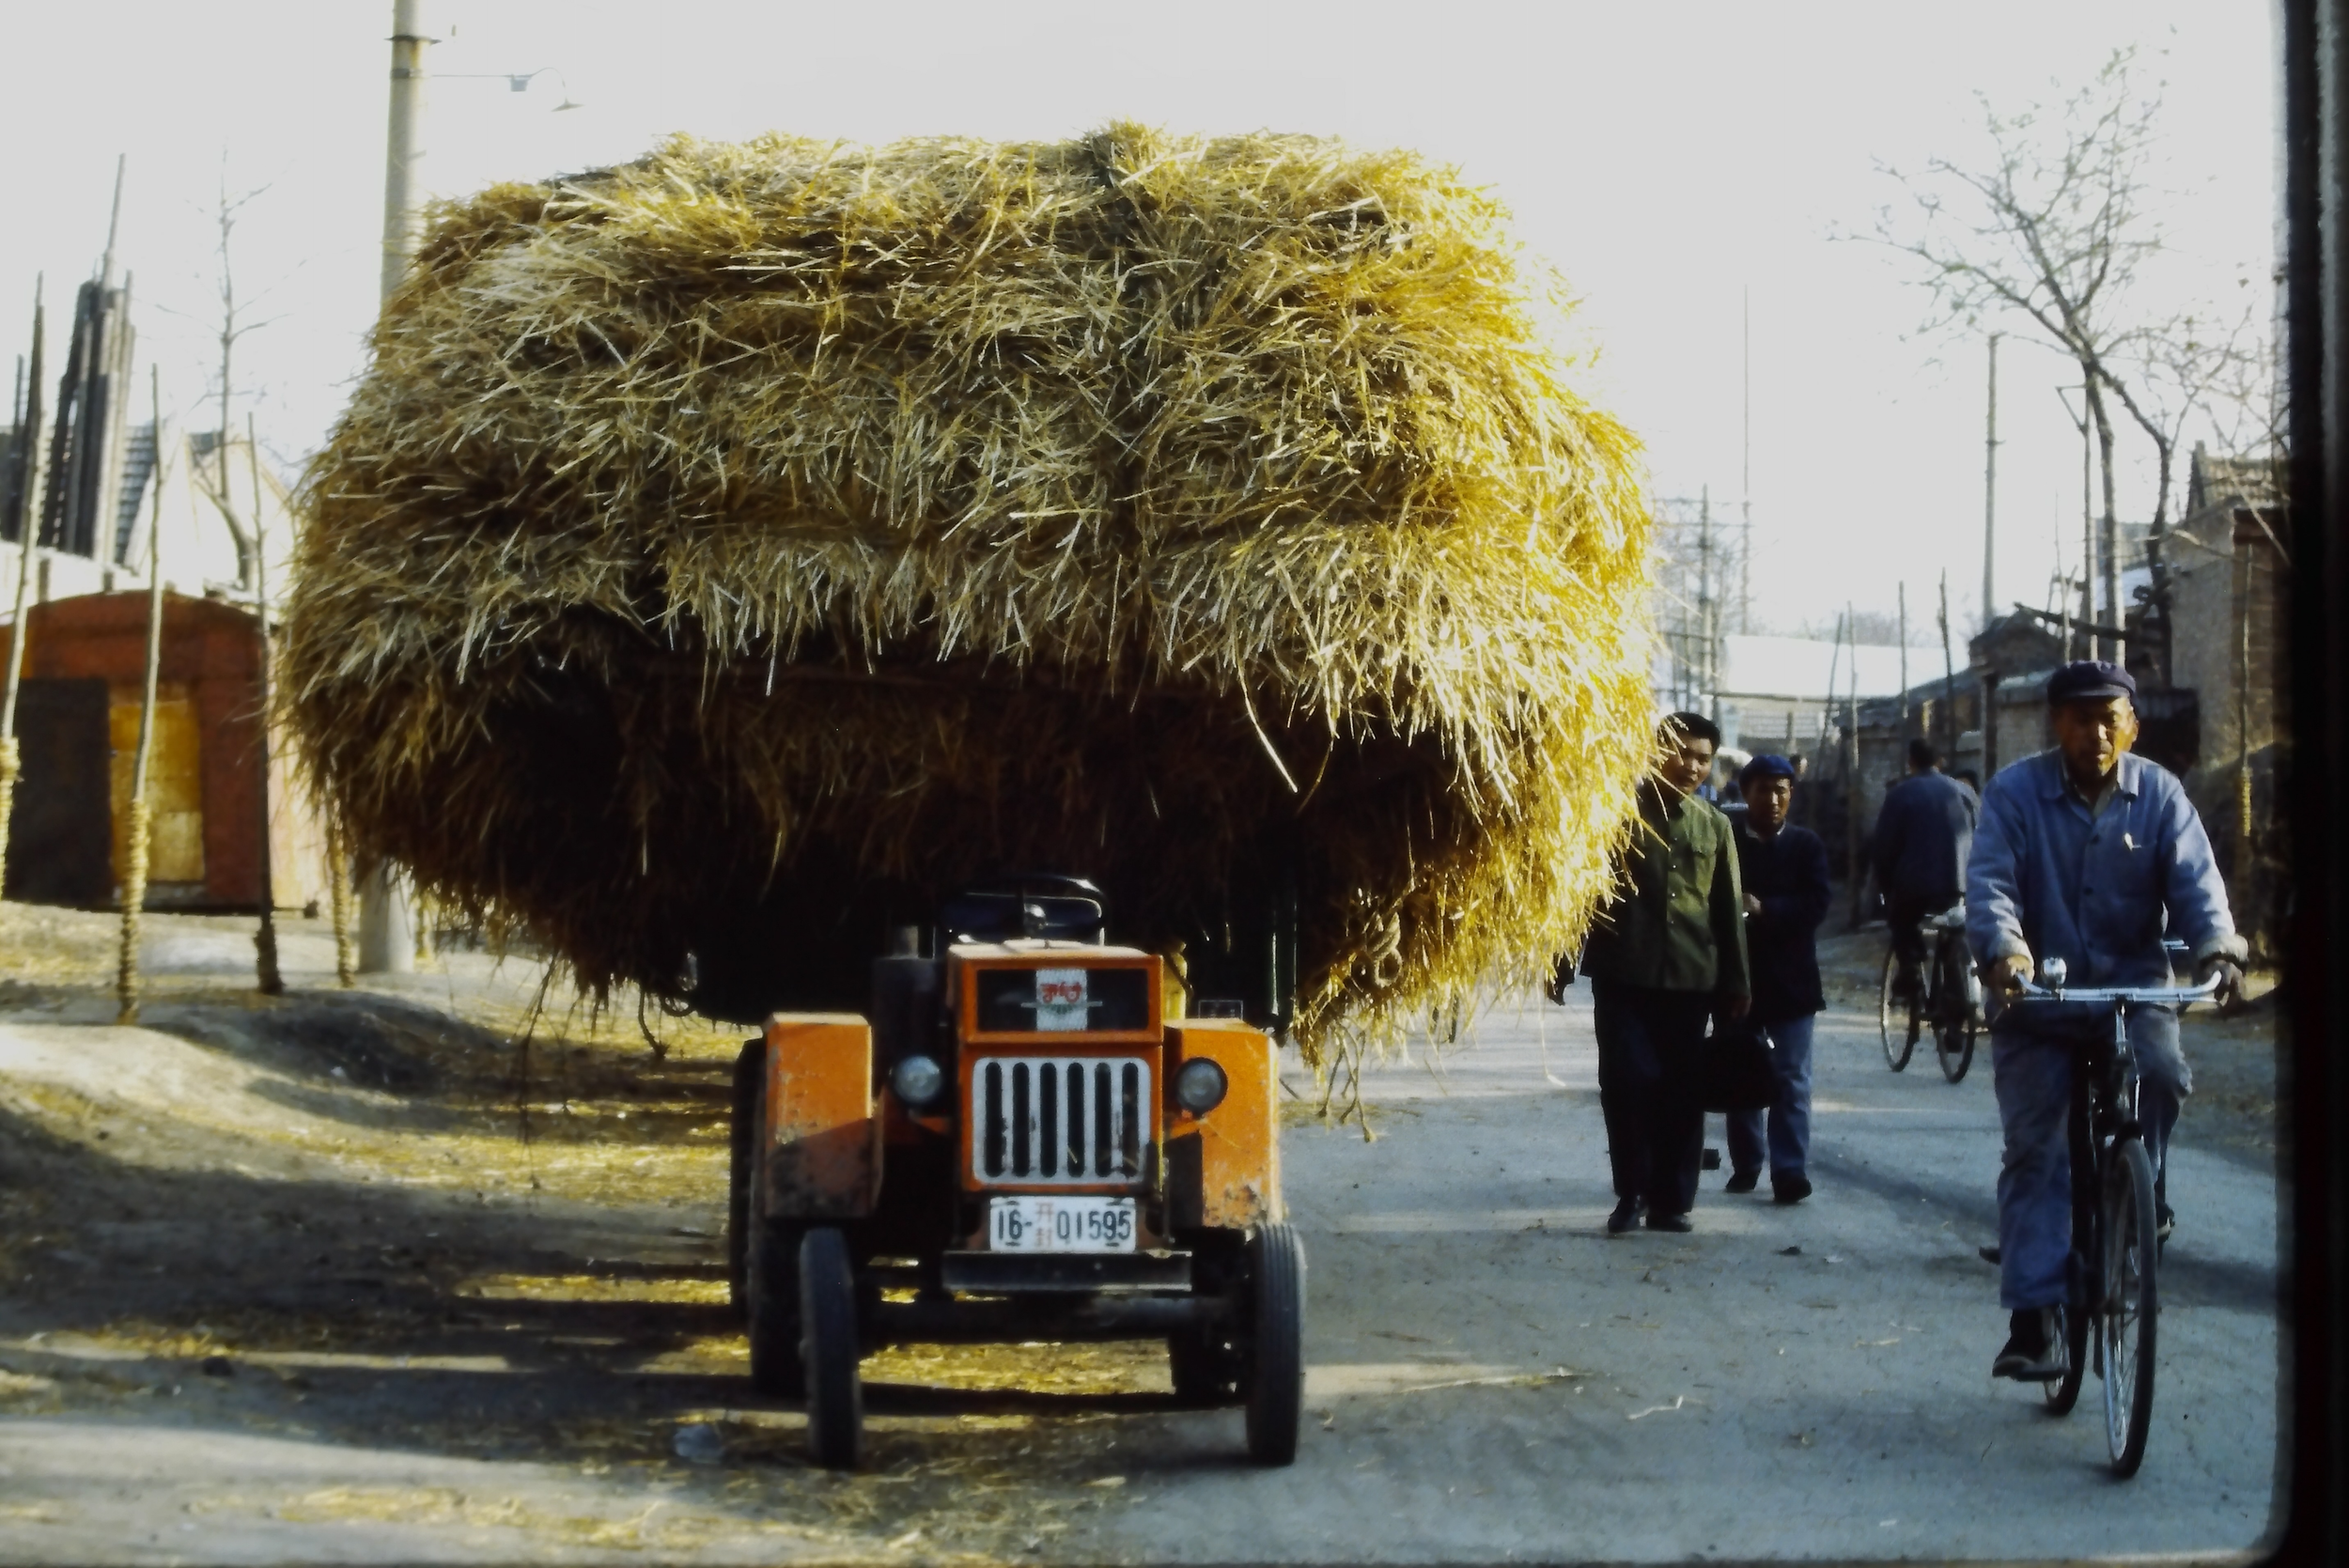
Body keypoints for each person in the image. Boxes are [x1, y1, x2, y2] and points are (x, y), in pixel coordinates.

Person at [1966, 660, 2246, 1380]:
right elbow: (1991, 882)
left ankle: (2138, 1192)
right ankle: (2032, 1319)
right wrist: (2006, 954)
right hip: (2040, 1002)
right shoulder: (2015, 792)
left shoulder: (2160, 794)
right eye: (2081, 716)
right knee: (2038, 1149)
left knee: (2163, 1076)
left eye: (2110, 717)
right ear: (2054, 722)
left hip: (2132, 990)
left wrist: (2218, 949)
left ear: (2133, 724)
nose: (2096, 731)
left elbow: (2196, 883)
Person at [1579, 712, 1750, 1234]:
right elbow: (1581, 898)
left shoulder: (1715, 825)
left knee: (1682, 1090)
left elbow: (1728, 909)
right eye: (1683, 753)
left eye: (1703, 758)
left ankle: (1671, 1202)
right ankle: (1630, 1192)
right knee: (1626, 1084)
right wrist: (1560, 965)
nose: (1692, 766)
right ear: (1655, 752)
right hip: (1624, 974)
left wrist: (1738, 982)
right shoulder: (1614, 816)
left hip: (1689, 979)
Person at [1723, 753, 1832, 1204]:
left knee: (1791, 1079)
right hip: (1736, 978)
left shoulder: (1806, 846)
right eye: (1762, 789)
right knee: (1740, 1075)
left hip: (1792, 983)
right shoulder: (1727, 840)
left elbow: (1816, 906)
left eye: (1781, 790)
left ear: (1792, 795)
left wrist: (1766, 909)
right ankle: (1747, 1161)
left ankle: (1789, 1170)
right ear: (1745, 793)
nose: (1772, 799)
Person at [1874, 737, 1979, 1001]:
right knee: (1955, 931)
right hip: (1961, 885)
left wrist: (1886, 887)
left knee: (1901, 920)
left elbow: (1884, 848)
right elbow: (1983, 836)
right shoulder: (1965, 792)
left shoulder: (1899, 795)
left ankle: (1911, 971)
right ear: (1940, 762)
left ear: (1910, 762)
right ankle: (1957, 1008)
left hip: (1915, 889)